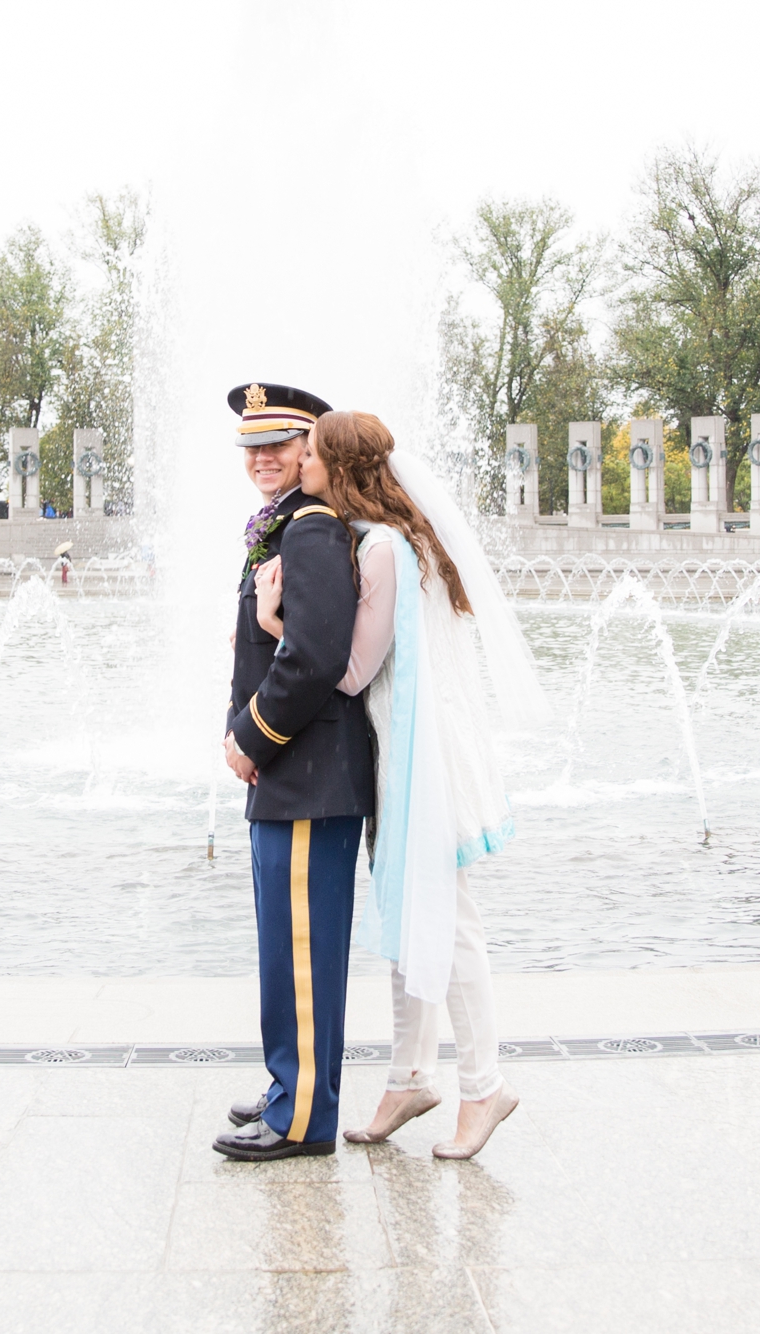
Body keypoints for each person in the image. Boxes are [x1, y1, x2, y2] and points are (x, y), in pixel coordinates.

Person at [252, 409, 547, 1161]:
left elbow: (349, 671)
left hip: (423, 753)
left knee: (448, 919)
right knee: (416, 911)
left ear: (340, 469)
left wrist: (272, 615)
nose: (301, 464)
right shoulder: (402, 538)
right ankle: (409, 1076)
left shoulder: (381, 547)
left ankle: (484, 1087)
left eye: (312, 454)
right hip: (413, 743)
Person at [213, 382, 373, 1164]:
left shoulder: (310, 529)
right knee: (287, 951)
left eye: (279, 444)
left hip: (306, 773)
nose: (263, 458)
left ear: (311, 448)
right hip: (294, 776)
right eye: (252, 446)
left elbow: (314, 659)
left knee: (302, 955)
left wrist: (250, 737)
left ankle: (305, 1116)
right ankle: (290, 1088)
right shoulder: (287, 527)